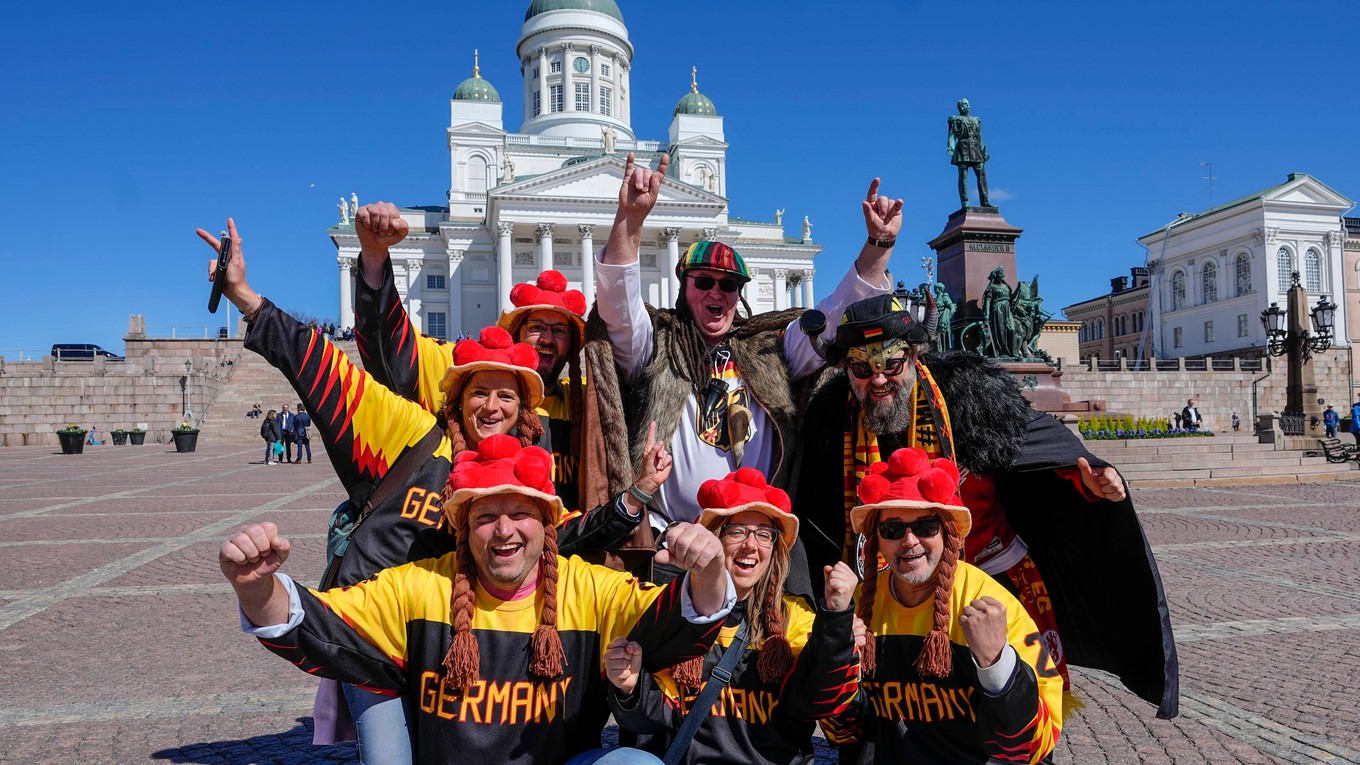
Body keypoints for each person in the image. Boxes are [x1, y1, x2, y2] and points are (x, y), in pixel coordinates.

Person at [198, 219, 673, 761]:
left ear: (526, 409)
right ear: (455, 397)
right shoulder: (408, 433)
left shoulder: (519, 479)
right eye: (479, 392)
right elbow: (321, 366)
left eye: (506, 396)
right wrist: (245, 296)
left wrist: (638, 500)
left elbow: (567, 534)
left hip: (460, 637)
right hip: (383, 627)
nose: (491, 408)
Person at [219, 436, 737, 765]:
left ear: (548, 525)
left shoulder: (590, 589)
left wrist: (711, 569)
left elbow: (681, 620)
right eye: (486, 516)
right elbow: (317, 627)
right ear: (463, 528)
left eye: (521, 514)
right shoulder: (419, 586)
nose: (504, 530)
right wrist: (256, 587)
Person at [794, 293, 1178, 719]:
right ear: (847, 370)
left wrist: (1086, 478)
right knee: (913, 702)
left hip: (992, 572)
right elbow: (815, 504)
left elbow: (1040, 442)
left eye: (892, 364)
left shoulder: (969, 391)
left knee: (1014, 694)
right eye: (863, 370)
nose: (879, 379)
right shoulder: (831, 416)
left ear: (914, 357)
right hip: (895, 583)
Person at [586, 153, 900, 585]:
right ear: (684, 288)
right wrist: (631, 220)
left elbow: (833, 319)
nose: (717, 293)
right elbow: (619, 308)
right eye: (704, 282)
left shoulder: (767, 350)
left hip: (758, 549)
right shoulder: (658, 346)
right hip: (675, 548)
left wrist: (878, 246)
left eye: (729, 285)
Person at [604, 469, 861, 765]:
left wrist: (836, 622)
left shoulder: (796, 617)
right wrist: (629, 688)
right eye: (736, 531)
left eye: (764, 534)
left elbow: (815, 702)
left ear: (775, 550)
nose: (751, 545)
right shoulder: (674, 610)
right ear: (712, 540)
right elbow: (649, 724)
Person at [349, 205, 593, 516]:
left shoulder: (582, 399)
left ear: (572, 345)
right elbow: (393, 347)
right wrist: (374, 257)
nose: (547, 338)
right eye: (536, 327)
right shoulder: (467, 372)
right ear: (515, 332)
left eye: (559, 331)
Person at [823, 448, 1062, 763]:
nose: (909, 541)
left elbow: (1033, 746)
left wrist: (997, 663)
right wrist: (833, 645)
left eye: (925, 527)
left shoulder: (990, 605)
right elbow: (841, 732)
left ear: (948, 533)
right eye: (892, 529)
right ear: (876, 539)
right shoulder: (858, 605)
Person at [947, 97, 990, 208]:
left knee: (982, 175)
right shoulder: (956, 120)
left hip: (975, 147)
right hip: (963, 147)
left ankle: (985, 201)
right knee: (963, 176)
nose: (968, 106)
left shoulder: (976, 120)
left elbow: (980, 137)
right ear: (960, 107)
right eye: (965, 104)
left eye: (968, 104)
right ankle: (965, 202)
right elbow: (951, 136)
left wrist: (983, 151)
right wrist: (951, 148)